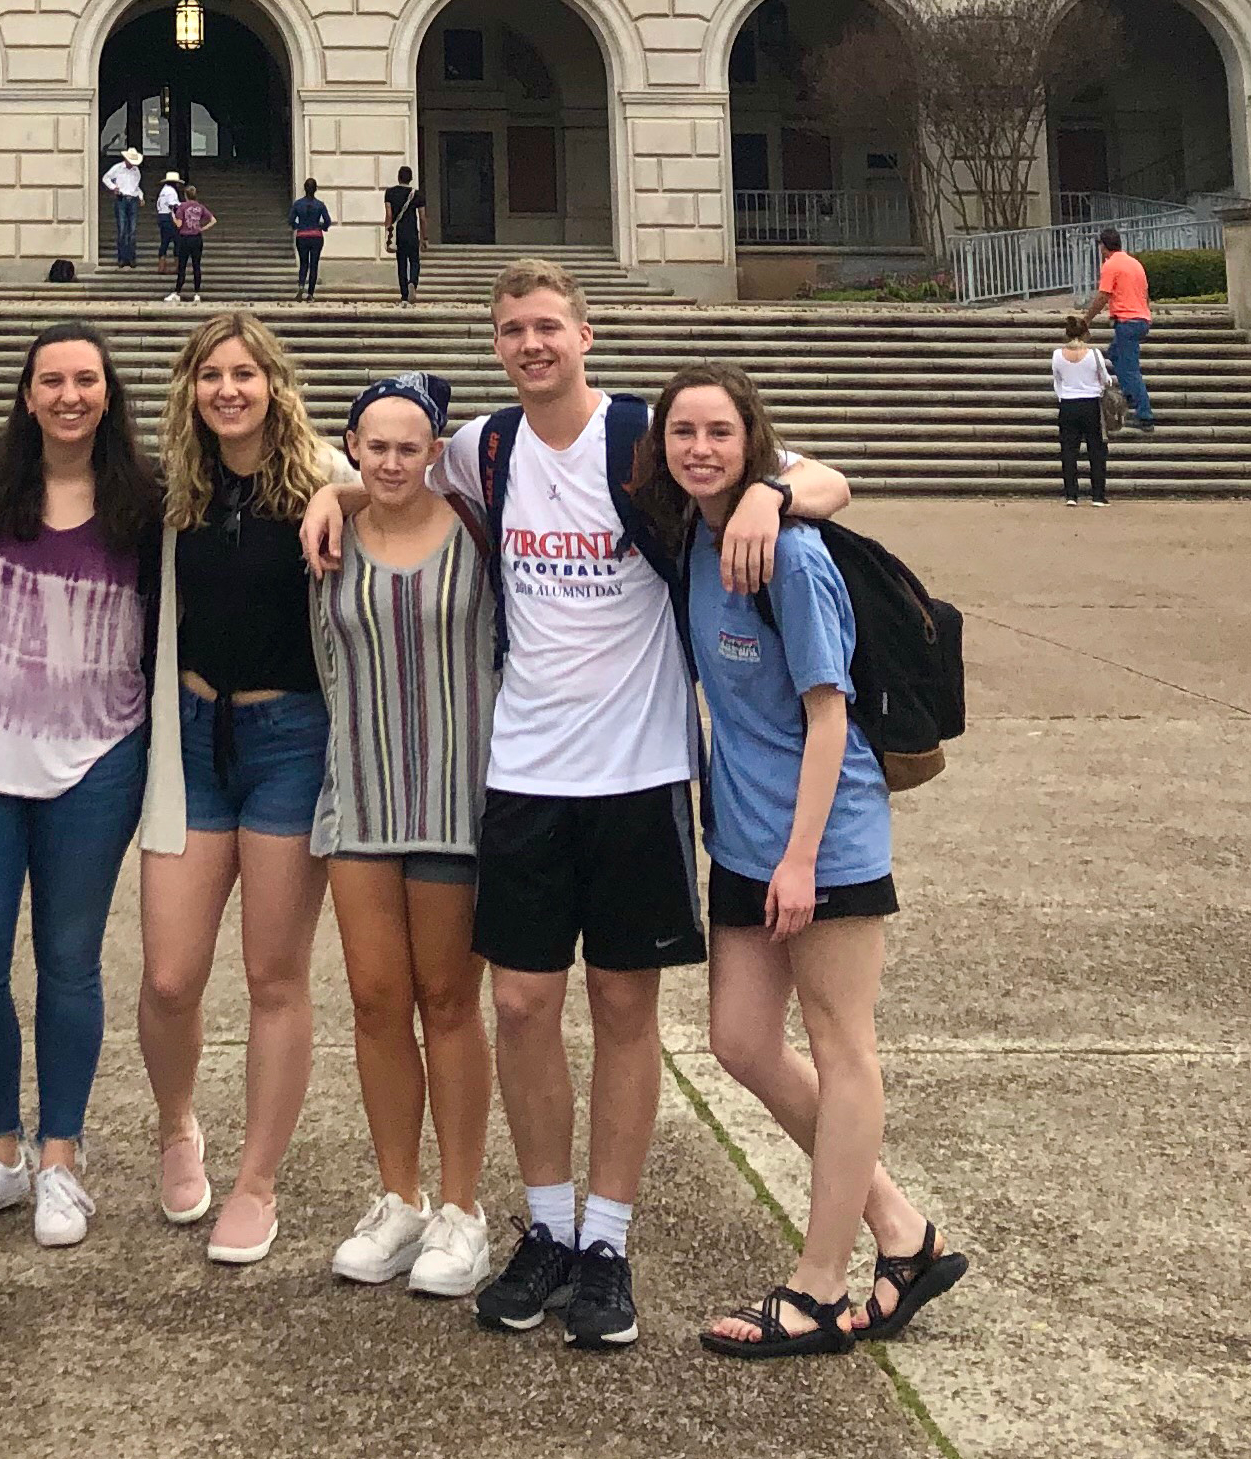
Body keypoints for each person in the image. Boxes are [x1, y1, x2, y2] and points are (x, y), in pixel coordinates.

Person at [301, 258, 852, 1351]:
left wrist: (769, 494)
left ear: (585, 333)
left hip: (640, 775)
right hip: (524, 774)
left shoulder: (648, 442)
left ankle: (607, 1241)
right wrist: (335, 487)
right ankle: (544, 1226)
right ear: (497, 346)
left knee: (623, 1011)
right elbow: (388, 470)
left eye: (547, 325)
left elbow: (832, 478)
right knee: (518, 1007)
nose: (530, 343)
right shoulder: (487, 447)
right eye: (511, 330)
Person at [632, 363, 967, 1359]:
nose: (699, 448)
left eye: (719, 434)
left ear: (754, 445)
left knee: (841, 1046)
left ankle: (822, 1286)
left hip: (822, 840)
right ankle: (903, 1231)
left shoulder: (790, 555)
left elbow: (831, 717)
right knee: (739, 1040)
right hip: (740, 833)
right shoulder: (695, 535)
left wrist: (802, 861)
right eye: (682, 432)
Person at [0, 323, 160, 1250]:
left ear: (108, 394)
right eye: (51, 380)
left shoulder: (146, 501)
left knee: (69, 960)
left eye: (86, 380)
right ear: (27, 396)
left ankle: (60, 1156)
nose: (69, 395)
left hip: (99, 757)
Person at [136, 314, 337, 1267]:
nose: (227, 389)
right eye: (210, 374)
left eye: (244, 374)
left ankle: (257, 1183)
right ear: (190, 387)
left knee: (273, 976)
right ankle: (179, 1125)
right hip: (189, 738)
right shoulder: (173, 488)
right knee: (171, 975)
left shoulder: (326, 480)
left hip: (291, 740)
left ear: (274, 384)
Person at [308, 372, 496, 1297]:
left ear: (435, 449)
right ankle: (400, 1196)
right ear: (350, 445)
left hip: (458, 801)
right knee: (377, 1001)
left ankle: (463, 1209)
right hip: (361, 795)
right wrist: (328, 495)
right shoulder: (330, 537)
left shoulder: (472, 530)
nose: (389, 461)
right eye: (373, 446)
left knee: (450, 1002)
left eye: (407, 445)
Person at [1086, 229, 1155, 431]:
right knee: (1115, 354)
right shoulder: (1134, 263)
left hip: (1128, 322)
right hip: (1141, 318)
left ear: (1103, 246)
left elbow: (1103, 296)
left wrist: (1086, 319)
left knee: (1130, 369)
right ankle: (1130, 394)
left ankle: (1145, 415)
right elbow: (1145, 293)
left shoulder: (1111, 265)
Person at [1053, 313, 1110, 507]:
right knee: (1096, 449)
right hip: (1091, 403)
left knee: (1069, 450)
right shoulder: (1094, 354)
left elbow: (1057, 381)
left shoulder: (1057, 355)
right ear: (1085, 333)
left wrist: (1063, 396)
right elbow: (1106, 379)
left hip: (1068, 404)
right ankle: (1098, 495)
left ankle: (1071, 494)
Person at [164, 178, 218, 306]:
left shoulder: (182, 206)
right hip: (197, 237)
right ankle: (197, 293)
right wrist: (202, 228)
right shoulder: (200, 207)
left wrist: (172, 215)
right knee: (196, 265)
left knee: (182, 266)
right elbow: (213, 220)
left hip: (185, 238)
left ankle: (177, 292)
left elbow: (179, 224)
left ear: (185, 195)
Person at [382, 169, 427, 305]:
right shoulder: (417, 195)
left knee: (401, 263)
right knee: (414, 261)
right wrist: (424, 237)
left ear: (398, 177)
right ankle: (413, 281)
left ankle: (404, 295)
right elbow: (423, 218)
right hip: (412, 232)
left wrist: (387, 232)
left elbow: (389, 215)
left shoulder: (390, 193)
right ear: (411, 178)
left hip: (398, 234)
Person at [288, 179, 334, 301]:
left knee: (303, 263)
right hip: (316, 236)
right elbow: (328, 221)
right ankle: (311, 294)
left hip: (302, 236)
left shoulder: (298, 204)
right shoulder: (320, 205)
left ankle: (301, 286)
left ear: (304, 188)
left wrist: (298, 227)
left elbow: (291, 220)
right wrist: (321, 227)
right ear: (315, 189)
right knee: (314, 264)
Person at [104, 148, 148, 269]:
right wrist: (113, 187)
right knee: (123, 229)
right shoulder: (118, 168)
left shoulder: (136, 171)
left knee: (132, 230)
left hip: (132, 199)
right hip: (121, 199)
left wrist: (141, 196)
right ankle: (122, 258)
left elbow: (136, 186)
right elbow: (106, 178)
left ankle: (131, 257)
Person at [156, 167, 184, 272]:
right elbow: (173, 206)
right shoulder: (171, 192)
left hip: (162, 216)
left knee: (164, 242)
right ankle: (177, 266)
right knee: (177, 241)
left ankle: (161, 266)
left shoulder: (163, 191)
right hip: (169, 217)